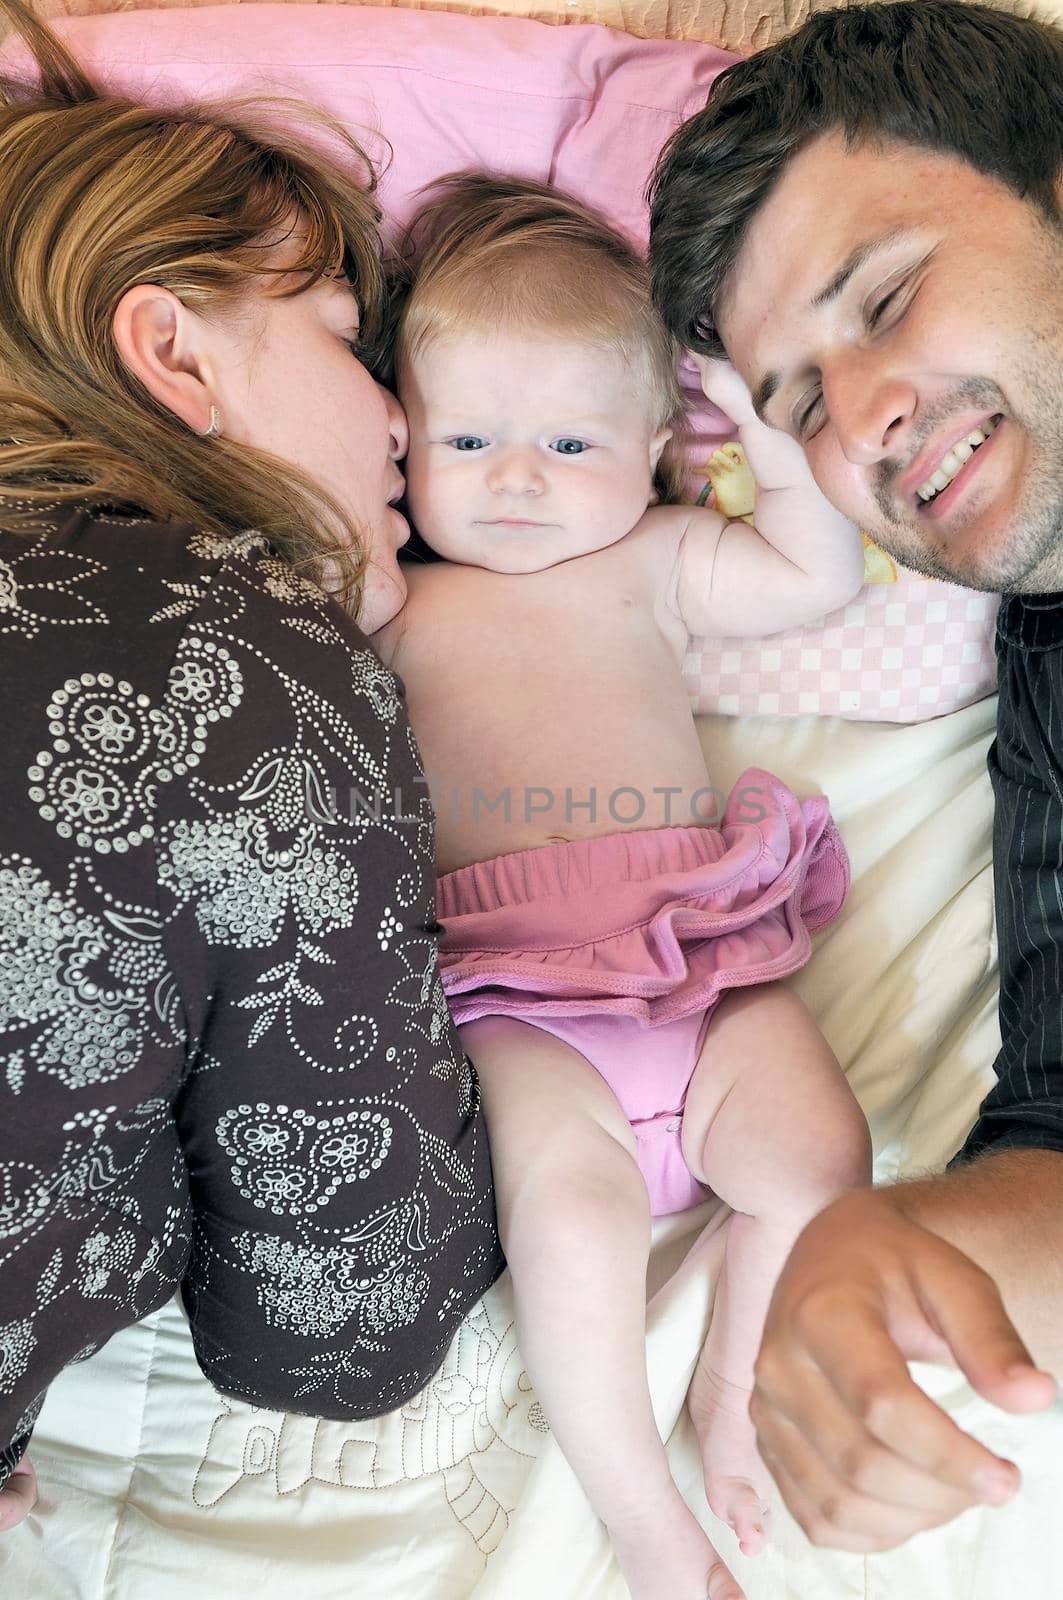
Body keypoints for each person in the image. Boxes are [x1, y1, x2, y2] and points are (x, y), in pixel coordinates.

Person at [0, 0, 503, 1532]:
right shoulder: (239, 662)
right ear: (170, 353)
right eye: (352, 349)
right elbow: (346, 1326)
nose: (410, 425)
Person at [375, 172, 871, 1600]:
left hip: (696, 955)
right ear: (401, 439)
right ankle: (641, 1509)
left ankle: (731, 1390)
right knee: (568, 1226)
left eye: (571, 442)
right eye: (467, 439)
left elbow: (810, 575)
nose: (518, 478)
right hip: (520, 993)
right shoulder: (401, 599)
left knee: (819, 1159)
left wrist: (768, 430)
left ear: (659, 445)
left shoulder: (649, 562)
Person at [647, 0, 1063, 1555]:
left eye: (887, 295)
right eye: (804, 404)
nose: (869, 421)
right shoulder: (1043, 682)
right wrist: (880, 1244)